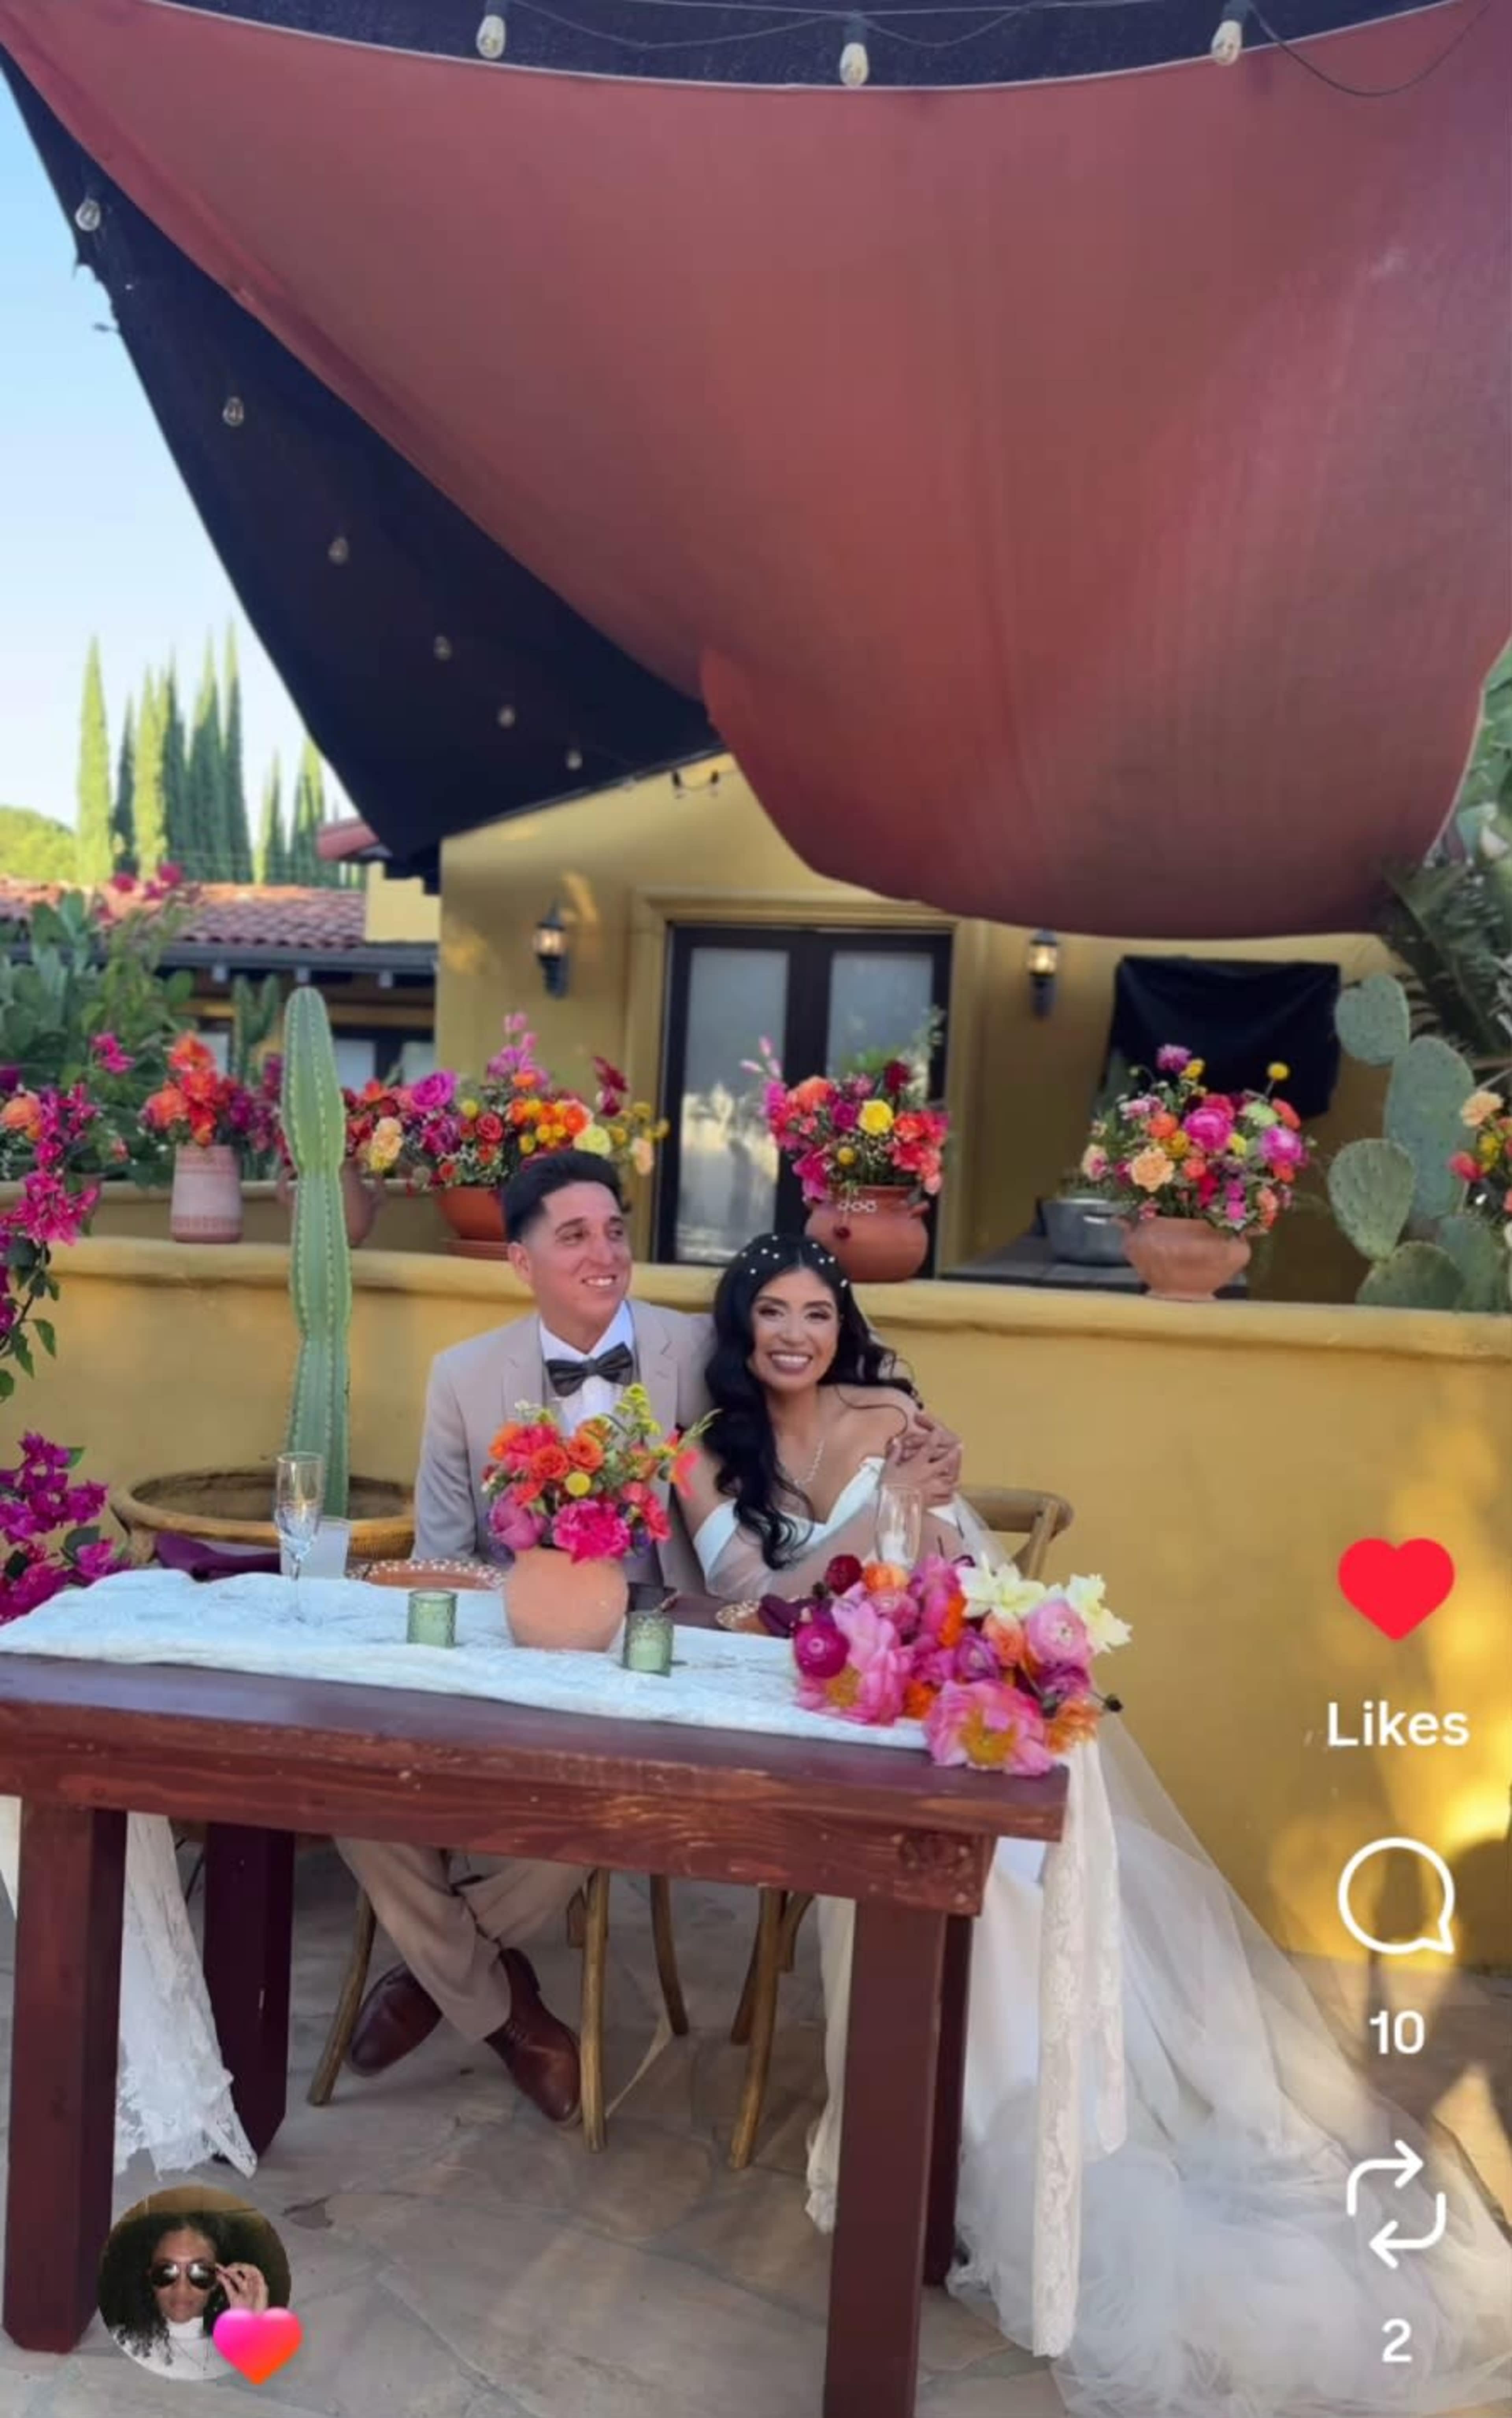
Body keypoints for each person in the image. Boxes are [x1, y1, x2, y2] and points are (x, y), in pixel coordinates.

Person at [688, 1232, 1512, 2418]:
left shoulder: (890, 1408)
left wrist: (906, 1520)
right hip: (814, 1695)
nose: (793, 1334)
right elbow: (743, 1600)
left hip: (942, 1680)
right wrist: (871, 1534)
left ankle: (1011, 2127)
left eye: (815, 1312)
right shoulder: (710, 1457)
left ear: (840, 1321)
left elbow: (936, 1572)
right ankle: (919, 2117)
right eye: (770, 1310)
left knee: (1007, 1872)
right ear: (740, 1322)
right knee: (879, 1851)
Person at [341, 1155, 964, 2128]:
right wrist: (522, 1609)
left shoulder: (700, 1348)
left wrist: (916, 1451)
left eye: (616, 1231)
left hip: (663, 1643)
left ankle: (439, 1974)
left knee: (585, 1799)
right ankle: (500, 2007)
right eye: (575, 1235)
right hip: (518, 1637)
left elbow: (824, 1386)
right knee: (349, 1781)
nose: (606, 1253)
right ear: (520, 1259)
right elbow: (445, 1554)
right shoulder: (462, 1378)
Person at [98, 2209, 272, 2383]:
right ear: (149, 2277)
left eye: (200, 2273)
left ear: (219, 2280)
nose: (182, 2289)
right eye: (166, 2271)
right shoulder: (117, 2345)